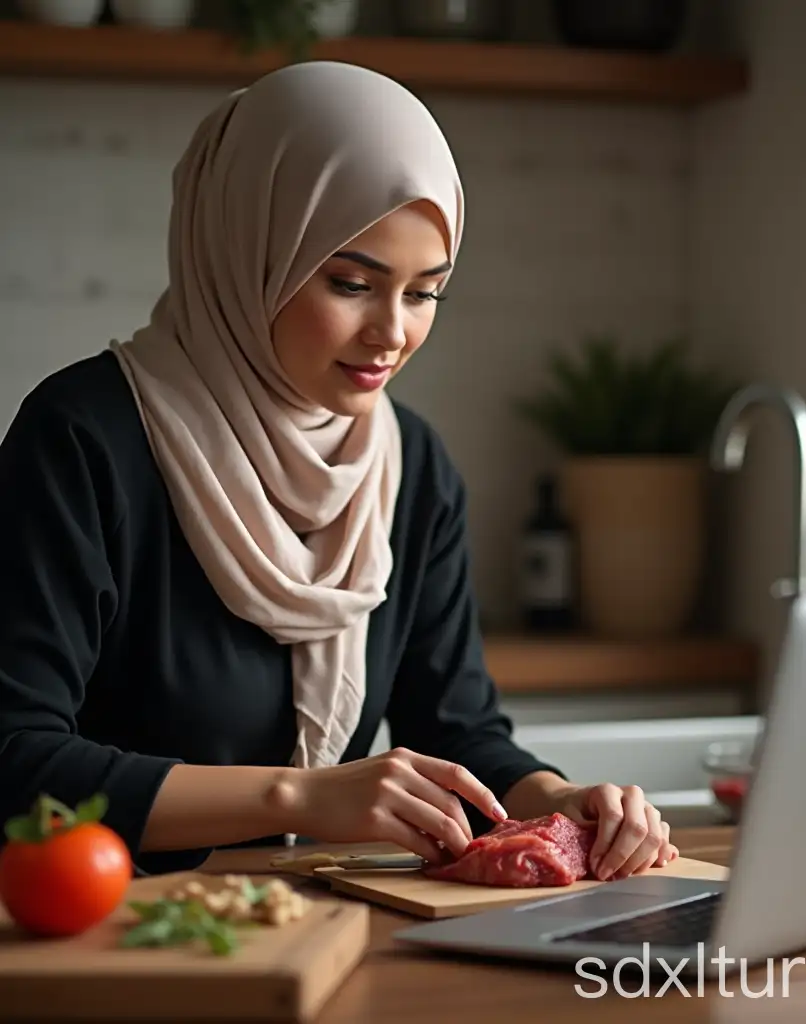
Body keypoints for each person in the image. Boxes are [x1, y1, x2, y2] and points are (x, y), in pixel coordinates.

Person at [0, 61, 678, 881]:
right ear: (248, 249)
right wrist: (301, 798)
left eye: (426, 293)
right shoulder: (84, 439)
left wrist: (556, 799)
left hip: (314, 927)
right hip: (105, 931)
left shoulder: (410, 464)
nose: (391, 333)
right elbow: (18, 760)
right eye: (352, 283)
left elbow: (457, 729)